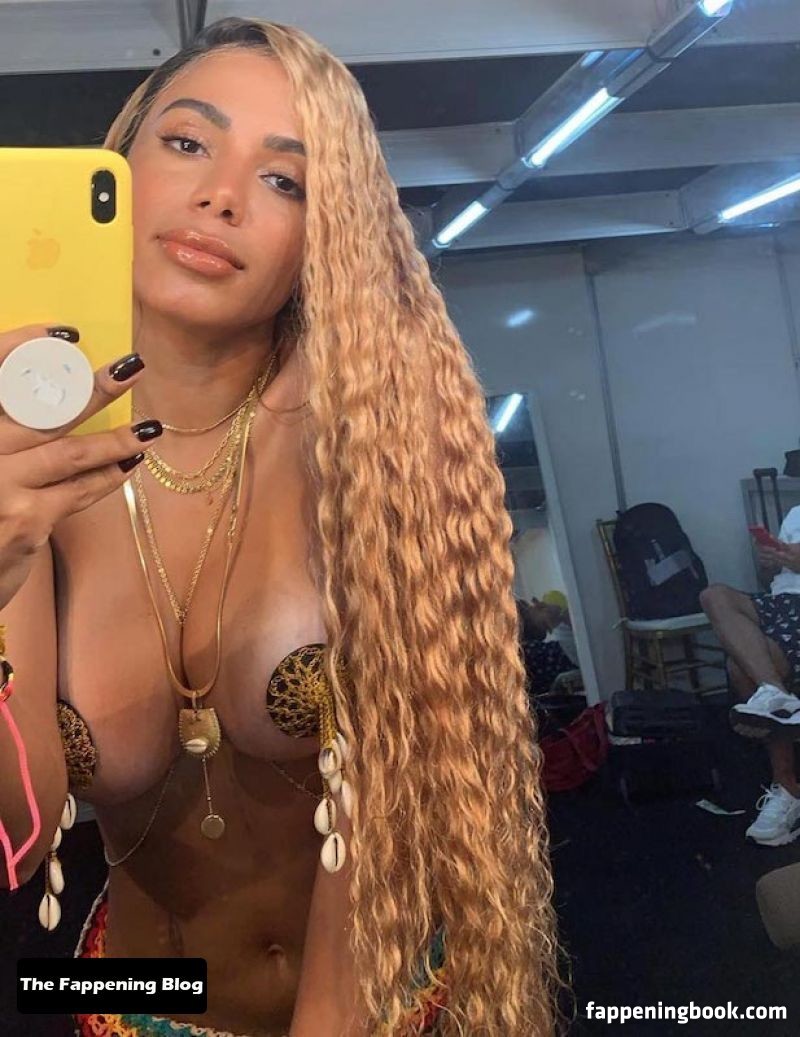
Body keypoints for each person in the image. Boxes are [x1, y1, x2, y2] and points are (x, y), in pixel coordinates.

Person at [0, 17, 561, 1037]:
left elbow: (401, 802)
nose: (221, 195)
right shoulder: (27, 456)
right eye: (187, 143)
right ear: (119, 164)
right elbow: (19, 832)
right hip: (131, 1004)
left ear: (324, 232)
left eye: (284, 180)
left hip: (371, 1008)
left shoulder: (371, 437)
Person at [701, 506, 800, 847]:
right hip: (780, 605)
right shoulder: (796, 514)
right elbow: (770, 579)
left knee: (739, 667)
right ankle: (774, 692)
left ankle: (787, 787)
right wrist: (770, 562)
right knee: (713, 595)